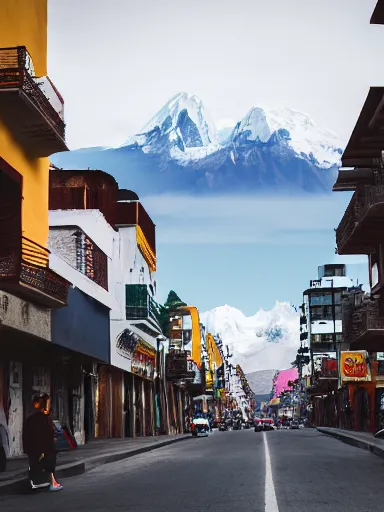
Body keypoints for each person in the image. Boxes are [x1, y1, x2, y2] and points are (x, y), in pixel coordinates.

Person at [23, 394, 63, 492]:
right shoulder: (45, 419)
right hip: (45, 448)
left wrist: (26, 448)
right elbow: (50, 433)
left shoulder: (30, 419)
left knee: (34, 465)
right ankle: (51, 483)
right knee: (48, 465)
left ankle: (35, 483)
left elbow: (26, 435)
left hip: (33, 448)